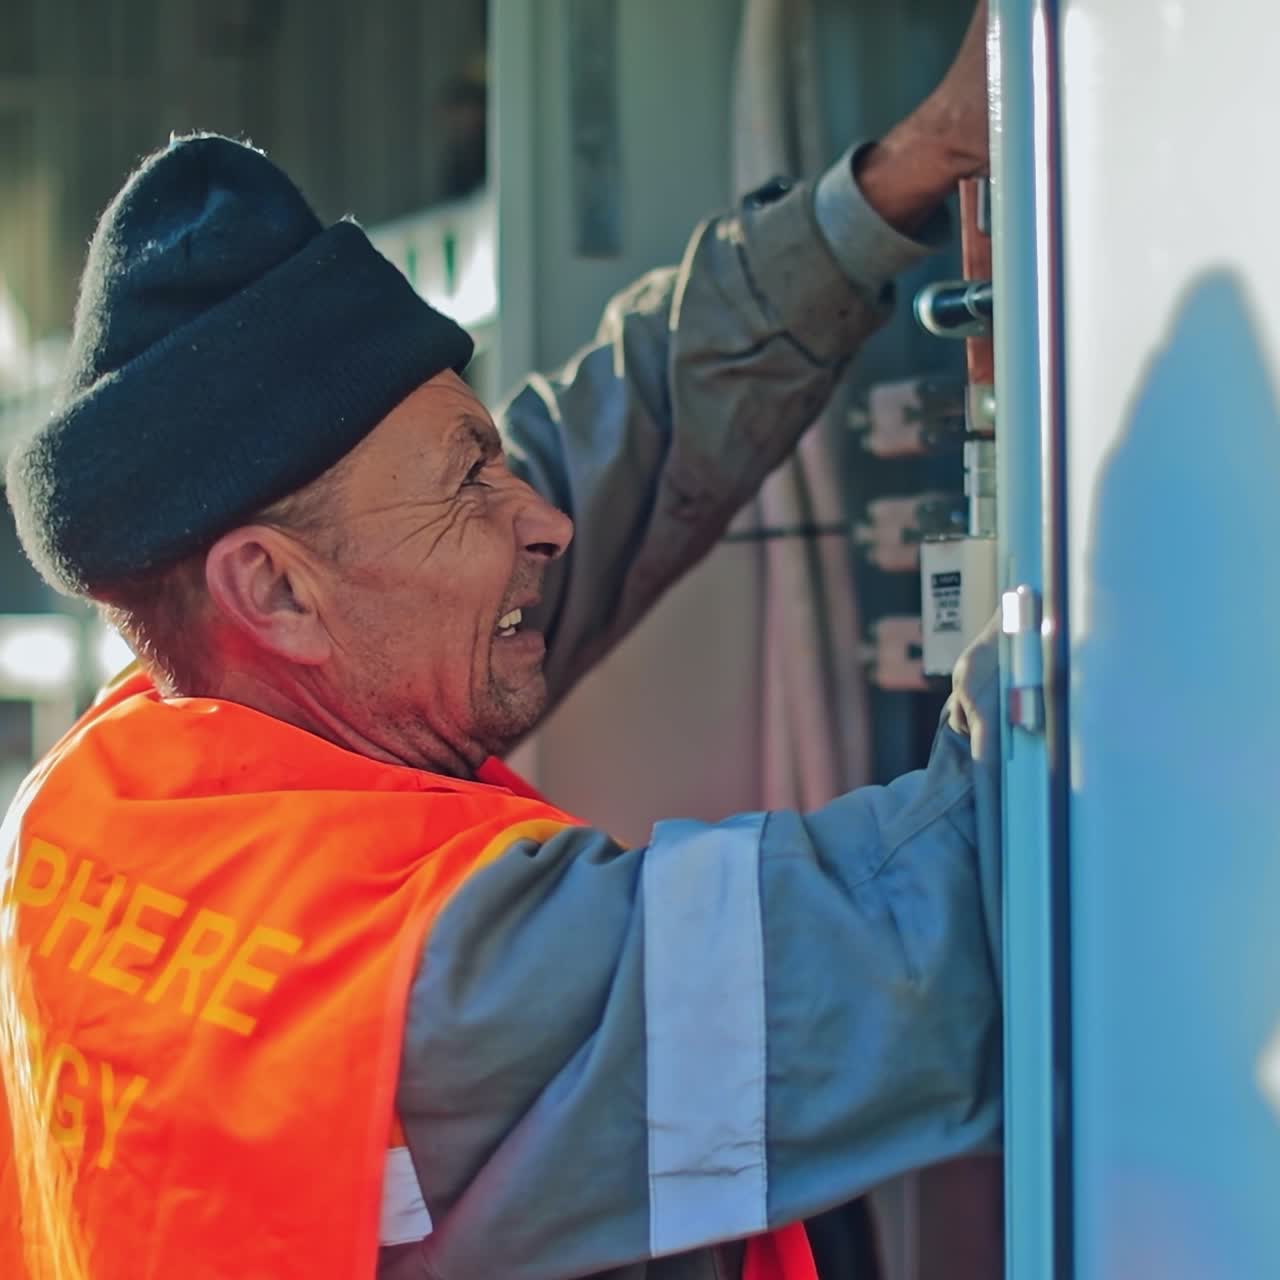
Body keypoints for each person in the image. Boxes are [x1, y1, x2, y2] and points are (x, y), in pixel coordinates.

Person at [0, 5, 1001, 1279]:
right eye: (471, 479)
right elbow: (949, 918)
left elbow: (622, 436)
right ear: (279, 591)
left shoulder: (106, 793)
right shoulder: (444, 985)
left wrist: (903, 171)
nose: (542, 519)